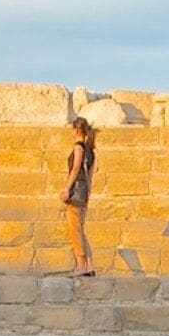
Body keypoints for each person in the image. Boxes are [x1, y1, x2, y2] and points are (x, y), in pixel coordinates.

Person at [62, 112, 97, 277]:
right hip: (84, 196)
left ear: (77, 129)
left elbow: (75, 169)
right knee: (81, 230)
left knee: (74, 229)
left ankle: (81, 265)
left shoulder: (78, 147)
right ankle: (89, 265)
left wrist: (67, 189)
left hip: (75, 194)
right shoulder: (91, 151)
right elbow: (90, 176)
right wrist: (88, 195)